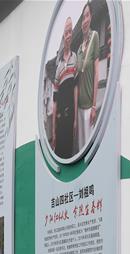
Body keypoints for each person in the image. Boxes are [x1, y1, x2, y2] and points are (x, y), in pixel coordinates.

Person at [51, 17, 78, 158]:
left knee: (70, 153)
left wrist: (76, 119)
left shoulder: (75, 58)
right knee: (60, 154)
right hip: (60, 119)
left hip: (71, 115)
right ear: (63, 36)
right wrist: (53, 131)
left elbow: (75, 89)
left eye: (70, 32)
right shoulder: (59, 67)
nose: (68, 35)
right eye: (66, 32)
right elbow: (54, 101)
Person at [77, 1, 101, 153]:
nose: (85, 20)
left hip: (88, 108)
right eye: (83, 17)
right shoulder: (79, 48)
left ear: (91, 17)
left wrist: (94, 106)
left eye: (87, 16)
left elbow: (97, 73)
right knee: (80, 149)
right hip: (79, 107)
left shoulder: (95, 37)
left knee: (89, 150)